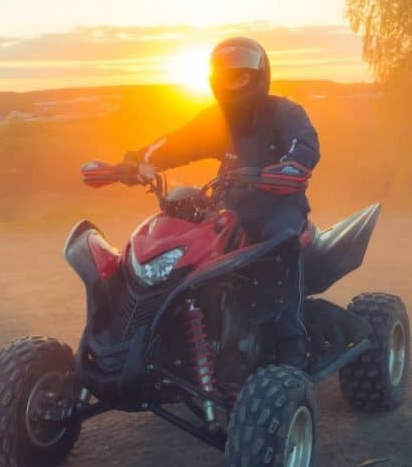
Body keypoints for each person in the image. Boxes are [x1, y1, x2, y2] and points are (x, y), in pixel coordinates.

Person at [121, 37, 320, 369]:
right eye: (226, 77)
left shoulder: (285, 112)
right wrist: (138, 159)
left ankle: (292, 352)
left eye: (240, 76)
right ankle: (183, 341)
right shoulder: (216, 120)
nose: (234, 84)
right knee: (188, 254)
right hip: (229, 207)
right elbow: (176, 142)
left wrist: (291, 167)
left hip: (279, 207)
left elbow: (305, 145)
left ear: (258, 76)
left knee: (280, 250)